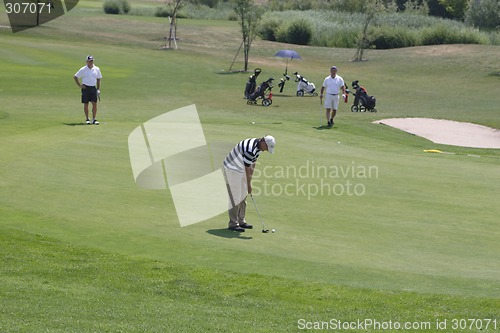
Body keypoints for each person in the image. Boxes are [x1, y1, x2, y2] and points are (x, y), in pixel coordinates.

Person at [222, 135, 276, 232]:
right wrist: (249, 184)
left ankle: (241, 221)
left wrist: (249, 180)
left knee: (243, 194)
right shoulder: (250, 149)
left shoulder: (259, 147)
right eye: (266, 148)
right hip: (232, 168)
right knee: (236, 196)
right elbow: (247, 167)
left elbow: (253, 163)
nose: (266, 150)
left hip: (240, 167)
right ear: (263, 142)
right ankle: (233, 224)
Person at [73, 55, 102, 125]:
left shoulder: (96, 69)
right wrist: (80, 86)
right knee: (86, 104)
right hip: (85, 88)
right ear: (87, 61)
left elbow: (98, 79)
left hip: (93, 88)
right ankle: (87, 119)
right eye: (89, 61)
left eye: (92, 61)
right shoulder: (83, 69)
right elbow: (75, 77)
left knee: (94, 104)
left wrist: (98, 89)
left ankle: (94, 119)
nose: (91, 62)